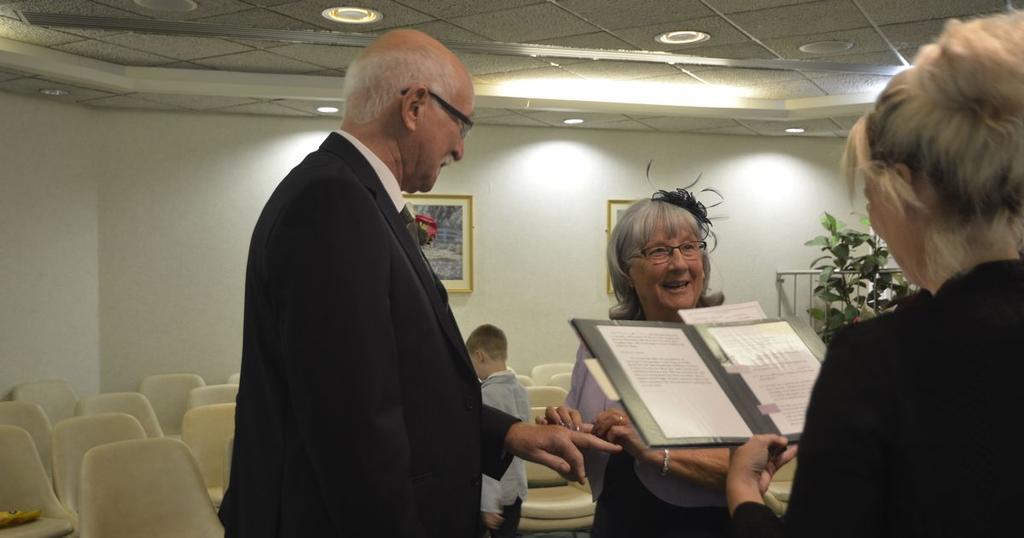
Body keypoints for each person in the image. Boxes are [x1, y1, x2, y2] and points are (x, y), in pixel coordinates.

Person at [220, 30, 618, 538]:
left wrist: (511, 433)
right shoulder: (333, 202)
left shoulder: (352, 196)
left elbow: (410, 390)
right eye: (462, 123)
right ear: (414, 107)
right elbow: (355, 427)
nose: (460, 148)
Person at [726, 11, 1024, 538]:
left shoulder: (881, 359)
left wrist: (744, 498)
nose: (874, 222)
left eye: (871, 198)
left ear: (907, 189)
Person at [544, 189, 732, 538]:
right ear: (627, 271)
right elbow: (578, 465)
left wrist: (652, 450)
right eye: (659, 251)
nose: (680, 263)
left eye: (689, 247)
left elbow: (752, 471)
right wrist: (565, 433)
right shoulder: (597, 346)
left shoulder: (730, 345)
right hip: (617, 523)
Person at [467, 324, 529, 538]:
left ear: (479, 356)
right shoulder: (521, 390)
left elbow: (489, 453)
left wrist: (488, 504)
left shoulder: (485, 396)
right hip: (517, 489)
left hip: (495, 495)